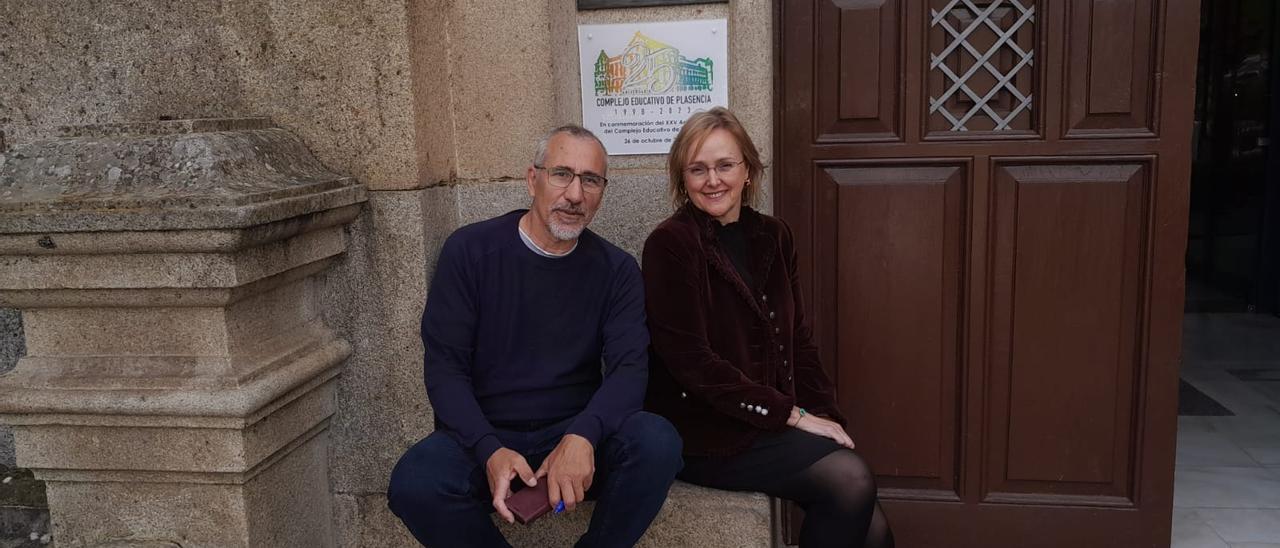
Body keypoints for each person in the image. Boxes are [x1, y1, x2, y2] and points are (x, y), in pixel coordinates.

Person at [388, 125, 683, 548]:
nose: (575, 194)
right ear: (533, 179)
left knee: (657, 443)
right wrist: (489, 449)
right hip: (484, 434)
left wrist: (583, 436)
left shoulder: (616, 271)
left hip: (574, 432)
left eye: (590, 180)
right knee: (415, 482)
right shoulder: (470, 252)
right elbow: (444, 369)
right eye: (561, 174)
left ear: (601, 191)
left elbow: (629, 370)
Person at [642, 107, 894, 548]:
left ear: (748, 170)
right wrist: (791, 415)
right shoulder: (671, 244)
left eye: (725, 165)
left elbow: (796, 339)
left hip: (766, 424)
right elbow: (693, 364)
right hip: (707, 432)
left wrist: (822, 413)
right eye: (698, 169)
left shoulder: (774, 236)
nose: (713, 180)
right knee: (849, 480)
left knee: (866, 512)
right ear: (683, 180)